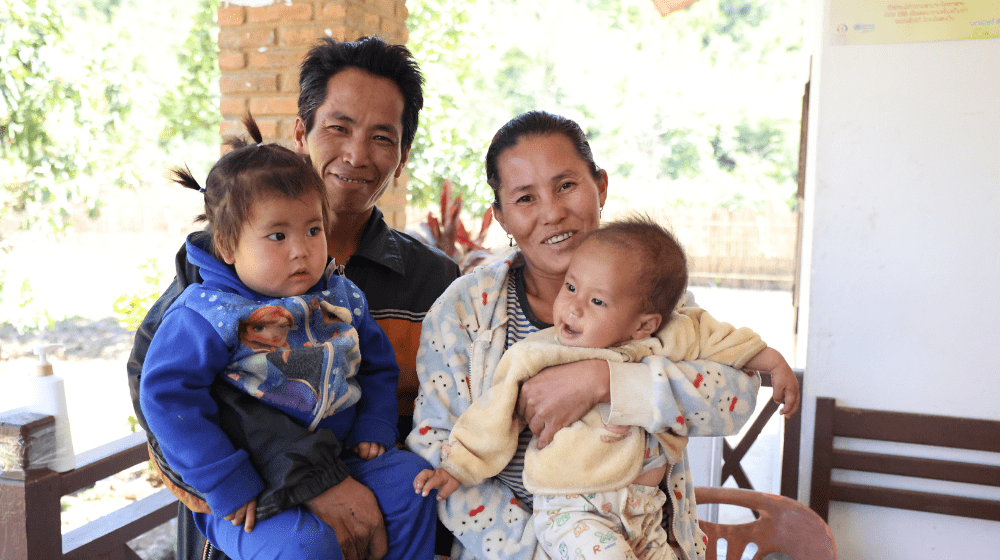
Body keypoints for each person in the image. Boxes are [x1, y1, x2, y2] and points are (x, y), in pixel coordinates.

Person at [126, 36, 460, 560]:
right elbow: (160, 404)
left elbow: (440, 416)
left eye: (381, 137)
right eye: (338, 127)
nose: (355, 153)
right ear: (303, 133)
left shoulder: (434, 284)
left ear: (402, 158)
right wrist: (312, 481)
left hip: (374, 501)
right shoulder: (212, 283)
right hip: (258, 514)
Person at [406, 110, 778, 560]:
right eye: (525, 199)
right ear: (500, 216)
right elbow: (437, 446)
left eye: (566, 185)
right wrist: (540, 554)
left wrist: (605, 381)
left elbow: (732, 400)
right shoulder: (463, 311)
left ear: (599, 186)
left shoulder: (653, 296)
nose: (553, 212)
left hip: (650, 538)